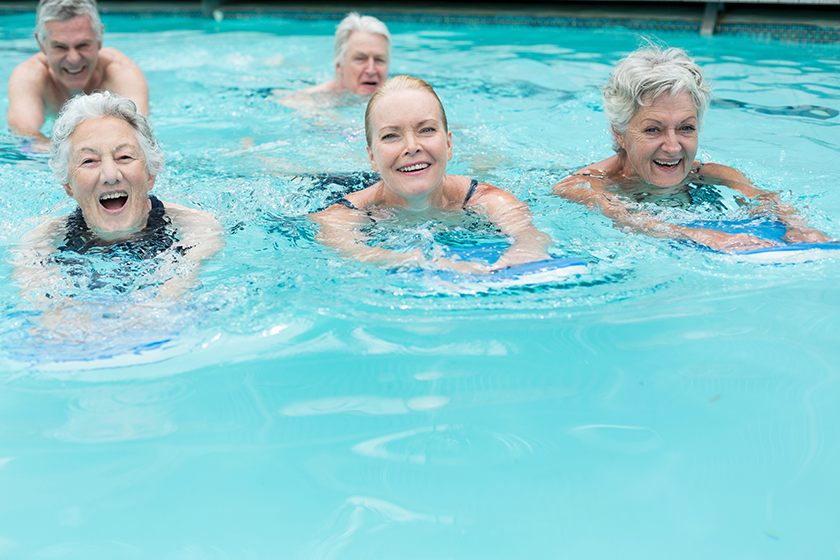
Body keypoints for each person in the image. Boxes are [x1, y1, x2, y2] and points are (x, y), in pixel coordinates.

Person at [551, 44, 832, 253]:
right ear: (620, 133)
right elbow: (627, 218)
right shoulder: (582, 185)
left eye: (686, 128)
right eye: (653, 129)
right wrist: (698, 234)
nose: (673, 147)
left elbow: (764, 198)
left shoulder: (715, 175)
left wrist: (798, 224)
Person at [310, 75, 552, 274]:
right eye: (391, 135)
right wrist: (420, 262)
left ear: (448, 144)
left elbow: (530, 236)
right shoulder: (343, 215)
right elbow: (353, 250)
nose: (412, 146)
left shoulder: (485, 199)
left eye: (426, 130)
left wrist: (525, 250)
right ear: (372, 156)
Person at [13, 91, 222, 302]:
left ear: (150, 174)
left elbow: (170, 300)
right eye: (89, 161)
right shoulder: (39, 244)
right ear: (68, 185)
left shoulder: (197, 228)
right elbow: (45, 311)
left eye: (124, 157)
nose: (110, 176)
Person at [7, 0, 149, 153]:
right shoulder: (30, 76)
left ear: (99, 38)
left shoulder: (121, 73)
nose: (73, 59)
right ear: (41, 44)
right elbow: (27, 139)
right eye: (60, 47)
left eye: (83, 45)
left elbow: (138, 136)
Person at [300, 12, 390, 96]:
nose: (371, 70)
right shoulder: (311, 101)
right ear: (339, 65)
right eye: (360, 59)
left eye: (379, 60)